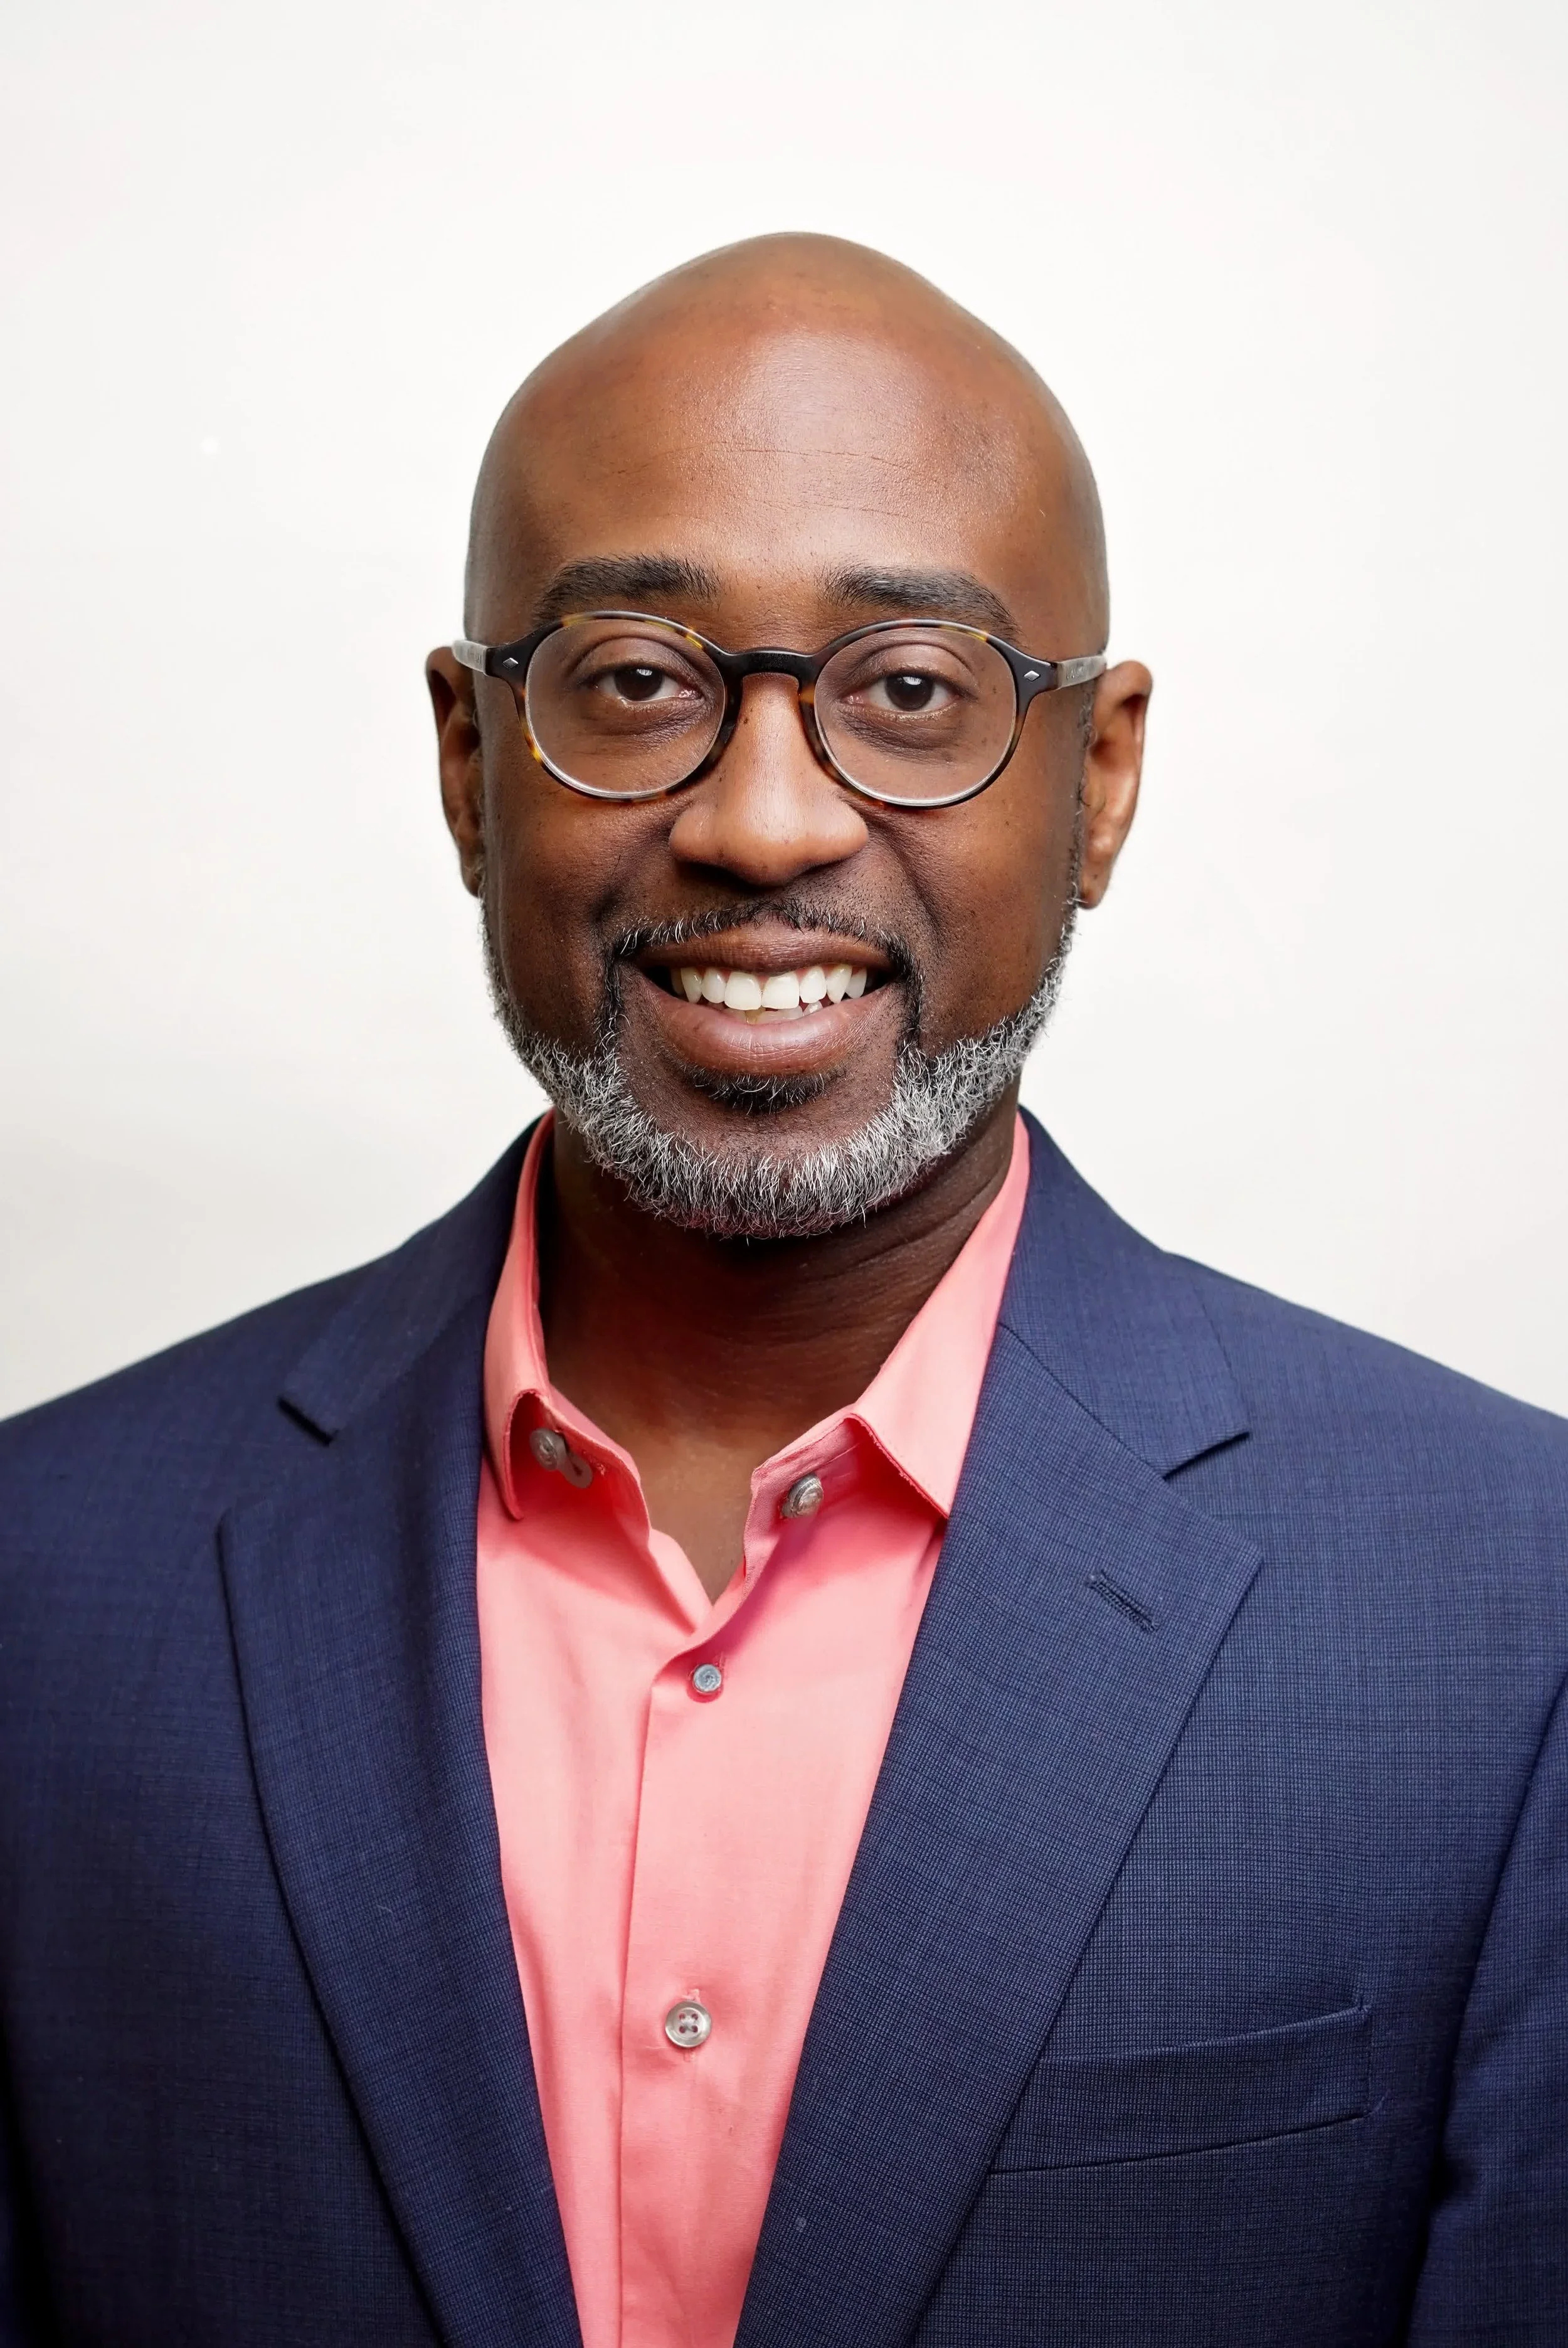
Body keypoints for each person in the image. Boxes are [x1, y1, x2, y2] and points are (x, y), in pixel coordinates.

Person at [1, 233, 1564, 2348]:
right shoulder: (41, 1583)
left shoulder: (1513, 1613)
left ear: (1098, 780)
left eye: (907, 691)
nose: (758, 822)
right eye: (634, 678)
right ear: (468, 761)